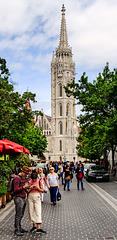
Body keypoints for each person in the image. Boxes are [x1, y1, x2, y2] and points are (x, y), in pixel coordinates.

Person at [13, 166, 31, 236]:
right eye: (25, 173)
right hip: (18, 198)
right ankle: (17, 229)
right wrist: (24, 187)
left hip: (23, 197)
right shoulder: (17, 178)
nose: (26, 175)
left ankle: (19, 227)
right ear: (22, 172)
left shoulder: (22, 178)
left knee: (21, 214)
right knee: (18, 214)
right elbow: (16, 189)